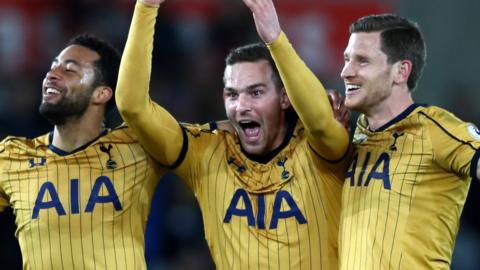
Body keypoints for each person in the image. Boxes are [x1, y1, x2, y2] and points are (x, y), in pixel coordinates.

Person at [116, 0, 350, 269]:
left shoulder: (322, 150)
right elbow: (132, 107)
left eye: (256, 92)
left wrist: (276, 39)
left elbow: (320, 122)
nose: (242, 106)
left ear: (285, 98)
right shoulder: (204, 151)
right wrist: (146, 7)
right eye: (232, 94)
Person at [0, 34, 167, 269]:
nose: (51, 74)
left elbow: (208, 141)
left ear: (101, 94)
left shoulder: (137, 148)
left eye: (69, 70)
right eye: (52, 66)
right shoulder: (12, 156)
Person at [339, 13, 480, 269]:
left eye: (362, 61)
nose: (346, 72)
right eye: (347, 59)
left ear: (401, 71)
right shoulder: (355, 137)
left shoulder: (436, 129)